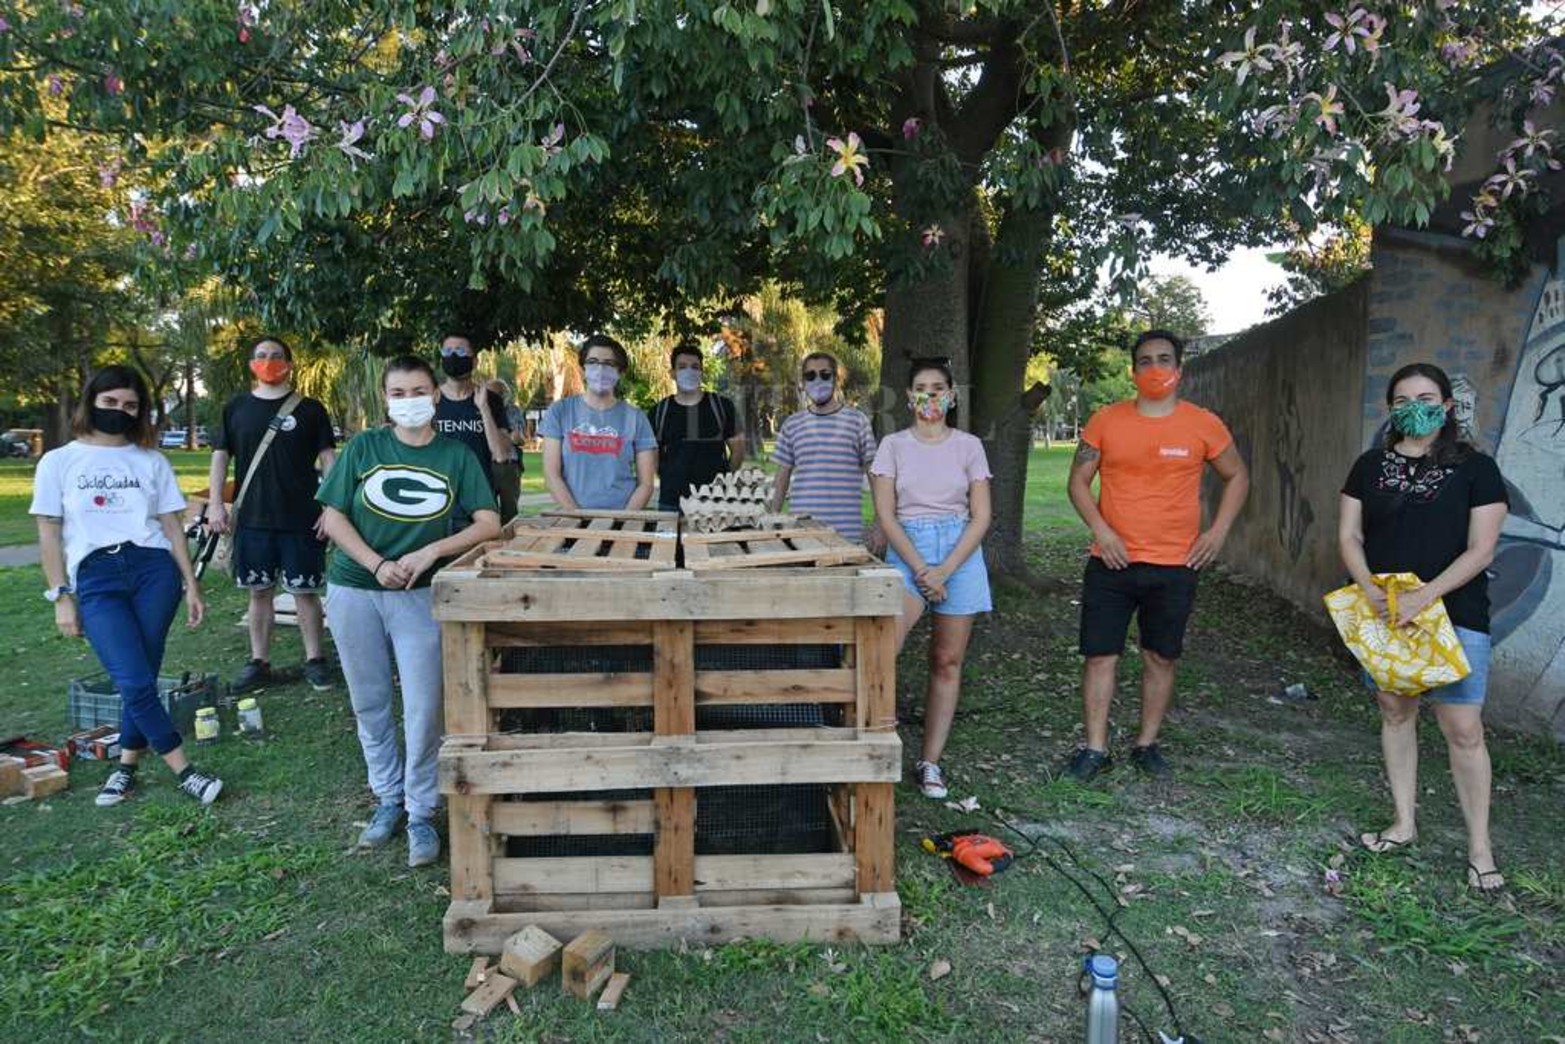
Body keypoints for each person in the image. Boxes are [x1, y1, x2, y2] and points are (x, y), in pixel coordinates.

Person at [317, 356, 501, 867]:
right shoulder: (363, 448)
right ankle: (387, 797)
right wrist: (375, 564)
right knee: (369, 700)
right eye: (398, 393)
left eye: (419, 391)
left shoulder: (455, 456)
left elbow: (488, 522)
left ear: (435, 396)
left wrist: (431, 552)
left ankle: (420, 811)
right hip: (355, 589)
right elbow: (332, 517)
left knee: (424, 707)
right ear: (386, 399)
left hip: (419, 595)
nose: (409, 401)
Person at [1339, 363, 1509, 893]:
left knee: (1463, 729)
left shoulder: (1477, 468)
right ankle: (1403, 823)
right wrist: (1369, 589)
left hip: (1456, 614)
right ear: (1390, 409)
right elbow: (1349, 535)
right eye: (1403, 400)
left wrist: (1424, 596)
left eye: (1427, 398)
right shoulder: (1369, 466)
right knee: (1396, 713)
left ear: (1447, 406)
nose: (1416, 407)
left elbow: (1482, 549)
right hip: (1386, 614)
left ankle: (1480, 849)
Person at [31, 365, 222, 807]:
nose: (120, 410)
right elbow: (48, 533)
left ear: (141, 412)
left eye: (130, 405)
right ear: (91, 402)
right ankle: (185, 771)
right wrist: (61, 596)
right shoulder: (58, 461)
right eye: (110, 401)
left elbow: (172, 526)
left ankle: (125, 767)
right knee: (133, 678)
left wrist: (191, 584)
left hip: (154, 571)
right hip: (96, 576)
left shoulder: (151, 461)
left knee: (142, 676)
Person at [1064, 330, 1249, 782]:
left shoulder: (1203, 424)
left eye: (1164, 359)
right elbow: (1077, 482)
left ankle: (1146, 745)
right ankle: (1095, 749)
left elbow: (1238, 476)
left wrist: (1218, 532)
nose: (1154, 368)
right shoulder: (1105, 421)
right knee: (1099, 656)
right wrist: (1102, 530)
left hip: (1175, 564)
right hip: (1111, 561)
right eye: (1145, 361)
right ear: (1133, 371)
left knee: (1160, 657)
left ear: (1179, 369)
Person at [869, 359, 992, 799]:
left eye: (938, 387)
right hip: (909, 551)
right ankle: (873, 740)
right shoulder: (893, 446)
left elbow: (982, 516)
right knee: (883, 648)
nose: (930, 395)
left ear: (952, 395)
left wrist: (945, 569)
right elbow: (886, 515)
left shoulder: (969, 446)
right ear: (908, 397)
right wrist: (923, 569)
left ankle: (930, 762)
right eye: (921, 387)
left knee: (946, 661)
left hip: (960, 554)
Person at [207, 336, 338, 694]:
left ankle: (315, 660)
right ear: (252, 364)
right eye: (262, 355)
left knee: (305, 592)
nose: (269, 361)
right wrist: (216, 503)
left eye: (277, 355)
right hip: (253, 519)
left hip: (302, 517)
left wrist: (331, 507)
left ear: (289, 364)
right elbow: (220, 456)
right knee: (259, 592)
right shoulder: (236, 408)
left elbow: (329, 459)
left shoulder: (310, 409)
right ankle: (259, 662)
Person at [769, 351, 879, 545]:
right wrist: (770, 520)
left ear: (837, 379)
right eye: (810, 375)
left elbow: (875, 475)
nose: (817, 380)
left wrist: (880, 522)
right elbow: (781, 480)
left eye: (825, 374)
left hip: (847, 534)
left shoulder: (858, 421)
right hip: (802, 534)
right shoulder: (792, 424)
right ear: (803, 382)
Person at [540, 334, 657, 510]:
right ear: (583, 368)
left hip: (622, 518)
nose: (600, 369)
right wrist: (577, 517)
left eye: (609, 364)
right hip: (572, 518)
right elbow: (552, 474)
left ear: (620, 372)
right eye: (593, 362)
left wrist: (622, 520)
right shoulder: (559, 412)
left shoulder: (637, 418)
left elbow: (646, 484)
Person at [650, 340, 745, 512]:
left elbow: (738, 449)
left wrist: (724, 478)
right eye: (682, 367)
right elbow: (653, 458)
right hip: (671, 503)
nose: (689, 371)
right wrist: (671, 477)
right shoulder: (659, 411)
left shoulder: (722, 406)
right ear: (672, 373)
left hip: (715, 502)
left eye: (695, 367)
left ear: (702, 372)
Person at [432, 333, 509, 523]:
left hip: (479, 502)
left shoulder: (491, 400)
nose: (453, 356)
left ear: (474, 361)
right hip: (437, 501)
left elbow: (501, 454)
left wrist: (484, 409)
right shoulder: (430, 400)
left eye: (460, 351)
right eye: (447, 351)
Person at [484, 377, 525, 525]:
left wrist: (514, 437)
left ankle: (510, 536)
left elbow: (520, 438)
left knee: (510, 509)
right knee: (487, 509)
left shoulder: (513, 411)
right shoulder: (479, 409)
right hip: (485, 464)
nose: (493, 397)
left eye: (498, 394)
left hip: (508, 465)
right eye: (489, 393)